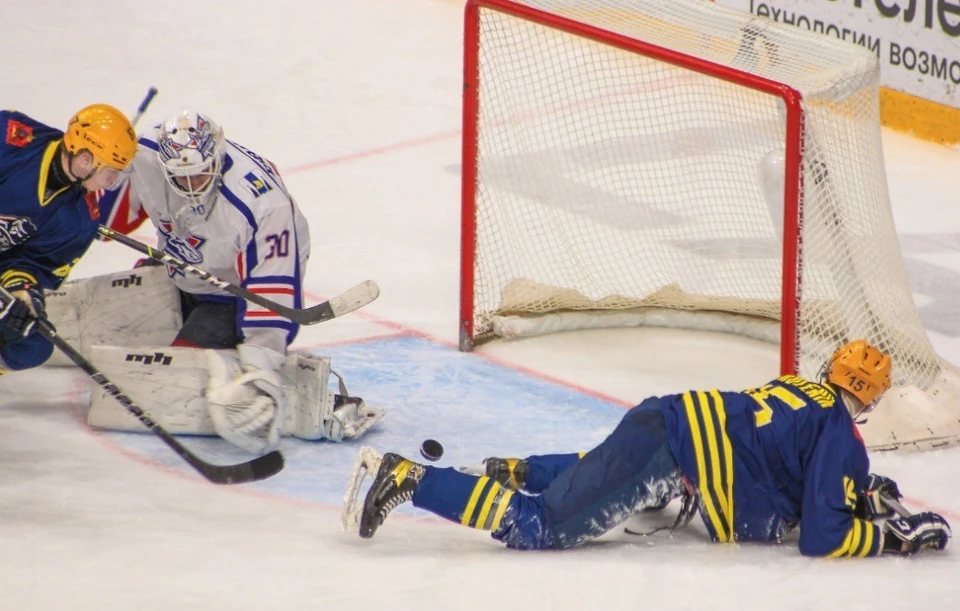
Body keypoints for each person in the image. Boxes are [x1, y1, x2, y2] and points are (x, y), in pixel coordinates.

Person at [351, 339, 951, 557]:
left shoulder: (795, 387)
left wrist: (852, 490)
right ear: (871, 401)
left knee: (617, 475)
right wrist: (888, 537)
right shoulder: (841, 437)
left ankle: (512, 470)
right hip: (670, 452)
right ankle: (409, 478)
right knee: (540, 528)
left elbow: (765, 451)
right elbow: (822, 538)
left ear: (827, 370)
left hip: (664, 424)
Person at [48, 110, 383, 454]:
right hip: (179, 274)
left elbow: (270, 289)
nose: (192, 186)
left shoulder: (264, 205)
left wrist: (261, 370)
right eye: (182, 178)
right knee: (64, 316)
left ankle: (300, 398)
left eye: (200, 174)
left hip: (230, 300)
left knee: (163, 388)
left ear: (218, 156)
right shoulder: (146, 154)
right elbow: (107, 210)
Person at [0, 105, 137, 374]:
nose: (112, 182)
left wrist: (22, 296)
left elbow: (32, 264)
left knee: (34, 343)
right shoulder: (10, 139)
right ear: (86, 159)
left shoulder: (80, 220)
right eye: (111, 172)